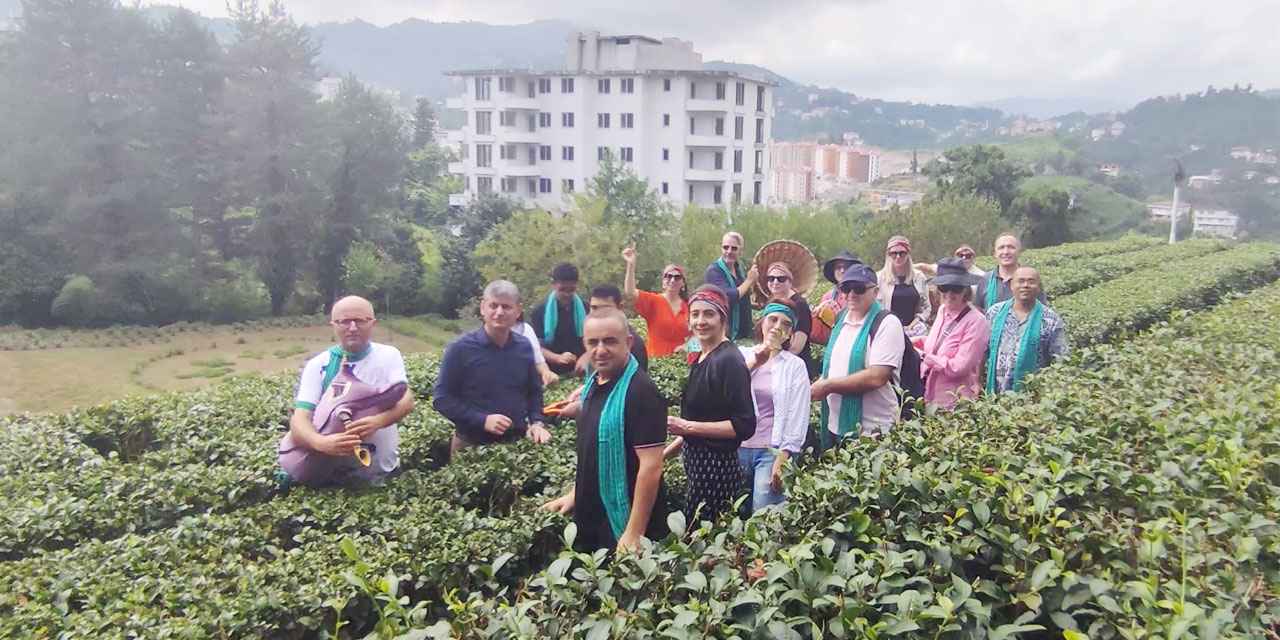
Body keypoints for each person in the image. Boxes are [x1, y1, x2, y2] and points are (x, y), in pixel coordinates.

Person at [540, 309, 669, 554]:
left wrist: (634, 533)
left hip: (624, 526)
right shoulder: (594, 384)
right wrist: (575, 493)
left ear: (628, 342)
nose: (600, 350)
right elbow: (592, 452)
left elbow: (651, 467)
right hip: (593, 520)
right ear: (585, 346)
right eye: (593, 342)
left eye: (610, 341)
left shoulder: (641, 391)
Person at [284, 296, 416, 485]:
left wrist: (378, 421)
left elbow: (406, 400)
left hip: (384, 472)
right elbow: (299, 420)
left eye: (360, 320)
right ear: (333, 326)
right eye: (344, 321)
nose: (353, 328)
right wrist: (321, 443)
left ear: (373, 323)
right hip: (334, 479)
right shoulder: (319, 365)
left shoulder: (389, 355)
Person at [664, 285, 756, 523]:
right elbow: (698, 421)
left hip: (715, 470)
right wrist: (665, 453)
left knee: (699, 534)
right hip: (698, 467)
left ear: (723, 318)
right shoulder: (703, 357)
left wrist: (686, 427)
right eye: (695, 314)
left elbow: (744, 425)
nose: (700, 321)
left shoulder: (729, 360)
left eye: (709, 314)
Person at [434, 280, 552, 455]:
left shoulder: (524, 347)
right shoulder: (460, 348)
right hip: (471, 447)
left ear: (518, 311)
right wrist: (482, 420)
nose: (499, 312)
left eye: (506, 307)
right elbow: (442, 399)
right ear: (482, 308)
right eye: (493, 306)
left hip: (517, 446)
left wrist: (537, 422)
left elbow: (534, 392)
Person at [811, 265, 904, 448]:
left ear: (875, 292)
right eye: (846, 288)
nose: (851, 294)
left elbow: (876, 376)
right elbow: (835, 366)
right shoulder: (841, 319)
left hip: (873, 431)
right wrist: (817, 385)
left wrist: (828, 386)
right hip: (835, 424)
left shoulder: (887, 323)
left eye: (859, 289)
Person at [736, 299, 810, 514]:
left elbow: (798, 413)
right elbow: (726, 389)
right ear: (762, 323)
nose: (778, 326)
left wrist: (783, 455)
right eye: (773, 319)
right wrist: (755, 362)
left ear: (790, 333)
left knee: (763, 517)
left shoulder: (794, 366)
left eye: (786, 324)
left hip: (770, 452)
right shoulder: (741, 355)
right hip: (734, 448)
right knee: (731, 515)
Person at [920, 258, 991, 410]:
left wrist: (925, 357)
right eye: (944, 287)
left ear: (965, 290)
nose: (949, 294)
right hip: (929, 396)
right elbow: (942, 344)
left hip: (954, 404)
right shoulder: (942, 310)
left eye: (956, 288)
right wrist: (919, 341)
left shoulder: (977, 321)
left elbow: (960, 366)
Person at [984, 267, 1068, 394]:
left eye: (1031, 281)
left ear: (1038, 287)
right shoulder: (994, 313)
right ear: (1012, 285)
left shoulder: (1051, 320)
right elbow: (983, 350)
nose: (1025, 285)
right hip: (996, 393)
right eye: (1020, 281)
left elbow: (1060, 360)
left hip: (1032, 395)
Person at [622, 247, 691, 358]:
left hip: (682, 360)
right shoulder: (653, 301)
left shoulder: (690, 305)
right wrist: (631, 264)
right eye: (668, 276)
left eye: (677, 277)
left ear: (683, 283)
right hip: (656, 360)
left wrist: (687, 345)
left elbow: (697, 333)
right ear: (663, 282)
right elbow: (630, 291)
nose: (672, 280)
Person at [575, 284, 649, 374]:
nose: (599, 313)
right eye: (594, 308)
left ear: (620, 307)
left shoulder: (635, 345)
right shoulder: (589, 335)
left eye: (605, 308)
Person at [532, 263, 587, 375]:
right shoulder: (540, 311)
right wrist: (557, 358)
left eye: (572, 289)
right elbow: (537, 347)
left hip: (583, 369)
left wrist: (587, 356)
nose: (567, 294)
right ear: (553, 284)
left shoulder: (587, 308)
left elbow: (596, 340)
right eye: (562, 289)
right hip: (552, 372)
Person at [761, 261, 814, 373]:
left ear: (790, 282)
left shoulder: (800, 305)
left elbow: (796, 346)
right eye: (771, 278)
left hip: (793, 368)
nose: (775, 282)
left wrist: (777, 365)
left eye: (781, 279)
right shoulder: (773, 302)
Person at [703, 231, 757, 341]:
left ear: (741, 251)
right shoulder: (714, 271)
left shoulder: (739, 271)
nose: (729, 251)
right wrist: (749, 280)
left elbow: (743, 296)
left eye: (734, 248)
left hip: (743, 335)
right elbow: (728, 297)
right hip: (724, 335)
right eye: (725, 247)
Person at [876, 236, 931, 337]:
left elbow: (926, 306)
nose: (898, 257)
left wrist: (917, 320)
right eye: (894, 253)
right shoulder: (879, 278)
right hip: (887, 330)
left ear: (908, 254)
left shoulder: (919, 277)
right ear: (888, 255)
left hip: (913, 329)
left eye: (902, 253)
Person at [976, 233, 1045, 312]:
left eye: (1011, 247)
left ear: (1020, 252)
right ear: (994, 253)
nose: (1006, 252)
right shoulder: (985, 280)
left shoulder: (1031, 278)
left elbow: (1041, 310)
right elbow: (978, 312)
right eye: (1001, 248)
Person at [810, 250, 862, 346]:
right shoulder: (828, 296)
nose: (842, 270)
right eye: (838, 267)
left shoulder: (861, 293)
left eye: (846, 267)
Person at [511, 314, 561, 387]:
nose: (500, 312)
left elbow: (538, 360)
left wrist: (547, 373)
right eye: (494, 308)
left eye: (506, 308)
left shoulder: (526, 329)